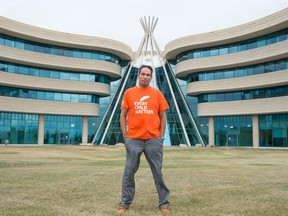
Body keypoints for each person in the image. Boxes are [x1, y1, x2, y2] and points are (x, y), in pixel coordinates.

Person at [117, 65, 170, 215]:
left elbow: (163, 117)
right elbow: (122, 115)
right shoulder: (129, 93)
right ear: (138, 75)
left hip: (153, 139)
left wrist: (161, 137)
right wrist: (125, 137)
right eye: (143, 74)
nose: (145, 77)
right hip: (134, 139)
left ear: (151, 77)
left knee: (158, 173)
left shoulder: (157, 94)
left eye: (148, 75)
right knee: (128, 173)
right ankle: (124, 203)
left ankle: (164, 204)